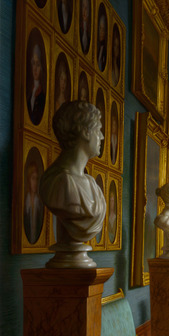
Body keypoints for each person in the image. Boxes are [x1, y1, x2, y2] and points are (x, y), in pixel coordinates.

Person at [39, 101, 106, 268]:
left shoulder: (93, 186)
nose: (102, 137)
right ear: (85, 132)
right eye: (98, 130)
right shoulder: (58, 182)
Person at [24, 158, 44, 244]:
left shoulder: (39, 203)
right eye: (33, 178)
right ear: (28, 179)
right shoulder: (24, 202)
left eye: (37, 179)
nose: (35, 182)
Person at [28, 44, 46, 125]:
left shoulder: (42, 96)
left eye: (38, 65)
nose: (35, 68)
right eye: (33, 63)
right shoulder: (30, 91)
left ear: (41, 68)